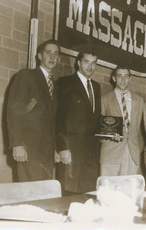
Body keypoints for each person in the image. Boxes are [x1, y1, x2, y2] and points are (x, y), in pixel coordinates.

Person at [6, 39, 61, 182]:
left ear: (59, 59)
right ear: (39, 56)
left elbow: (52, 120)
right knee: (28, 194)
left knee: (43, 193)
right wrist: (17, 144)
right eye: (48, 53)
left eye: (56, 54)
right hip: (28, 148)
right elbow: (14, 112)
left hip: (46, 152)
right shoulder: (26, 76)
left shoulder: (54, 85)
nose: (52, 57)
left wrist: (54, 149)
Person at [56, 48, 101, 194]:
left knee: (89, 196)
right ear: (78, 63)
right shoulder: (65, 83)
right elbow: (59, 118)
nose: (90, 66)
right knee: (69, 194)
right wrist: (62, 148)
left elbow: (95, 118)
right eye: (86, 62)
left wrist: (108, 132)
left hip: (91, 154)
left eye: (94, 63)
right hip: (71, 152)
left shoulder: (96, 86)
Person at [100, 66, 145, 176]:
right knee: (108, 190)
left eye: (126, 76)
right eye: (119, 76)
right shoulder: (104, 99)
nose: (123, 80)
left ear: (130, 78)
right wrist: (109, 135)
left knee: (129, 190)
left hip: (132, 152)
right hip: (111, 151)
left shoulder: (139, 100)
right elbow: (99, 127)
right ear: (114, 78)